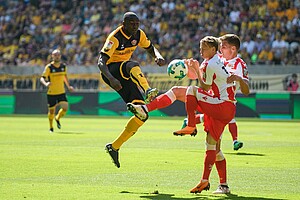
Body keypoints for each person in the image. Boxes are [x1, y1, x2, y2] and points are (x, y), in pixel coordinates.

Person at [128, 35, 249, 194]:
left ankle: (186, 123)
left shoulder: (238, 64)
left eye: (223, 46)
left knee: (187, 91)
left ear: (233, 49)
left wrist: (239, 79)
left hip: (220, 103)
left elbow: (244, 90)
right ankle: (219, 184)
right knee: (213, 146)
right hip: (215, 101)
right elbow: (203, 75)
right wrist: (189, 68)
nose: (221, 48)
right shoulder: (218, 59)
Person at [98, 12, 166, 168]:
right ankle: (148, 90)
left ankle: (114, 147)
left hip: (124, 75)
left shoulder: (139, 34)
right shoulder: (114, 37)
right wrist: (111, 79)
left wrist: (158, 56)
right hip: (111, 71)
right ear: (123, 24)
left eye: (137, 23)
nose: (135, 26)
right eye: (131, 24)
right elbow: (101, 62)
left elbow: (150, 47)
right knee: (132, 65)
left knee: (142, 115)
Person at [40, 49, 74, 133]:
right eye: (55, 55)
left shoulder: (63, 66)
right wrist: (46, 83)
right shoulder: (49, 67)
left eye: (58, 55)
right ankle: (51, 127)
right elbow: (42, 78)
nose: (57, 56)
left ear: (60, 56)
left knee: (65, 108)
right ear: (52, 56)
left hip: (61, 92)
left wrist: (68, 86)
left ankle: (57, 118)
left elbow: (65, 77)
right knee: (51, 111)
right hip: (51, 93)